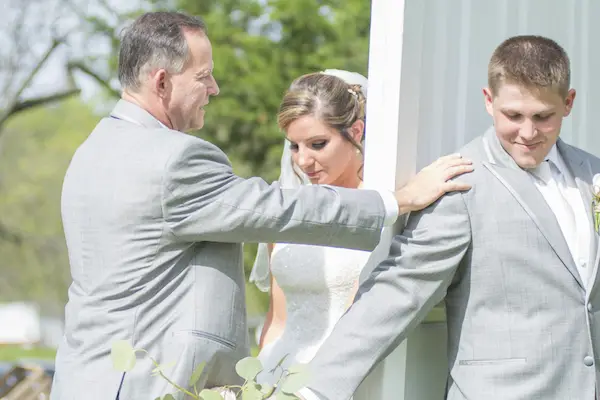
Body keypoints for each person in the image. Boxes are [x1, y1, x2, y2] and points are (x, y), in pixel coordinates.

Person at [50, 11, 473, 400]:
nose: (214, 88)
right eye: (204, 76)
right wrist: (397, 199)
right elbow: (275, 209)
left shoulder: (91, 152)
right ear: (162, 82)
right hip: (146, 384)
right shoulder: (174, 159)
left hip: (87, 379)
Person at [297, 35, 600, 400]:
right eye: (513, 116)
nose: (528, 132)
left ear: (568, 103)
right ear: (489, 101)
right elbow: (401, 287)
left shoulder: (591, 173)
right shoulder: (459, 182)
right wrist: (315, 390)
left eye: (543, 117)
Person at [251, 69, 473, 386]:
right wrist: (257, 384)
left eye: (317, 144)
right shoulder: (289, 210)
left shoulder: (387, 208)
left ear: (356, 131)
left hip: (348, 382)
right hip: (275, 377)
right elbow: (277, 321)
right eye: (294, 147)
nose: (302, 161)